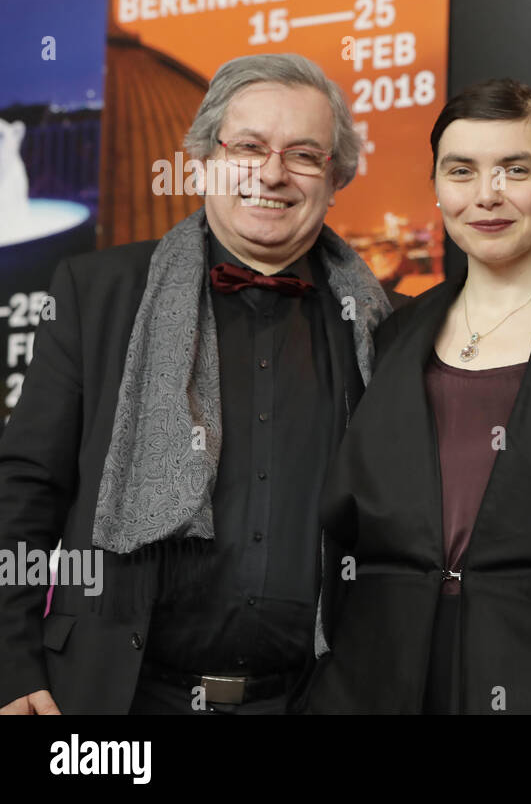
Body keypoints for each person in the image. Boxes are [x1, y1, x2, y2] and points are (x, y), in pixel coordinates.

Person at [0, 53, 393, 715]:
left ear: (335, 178)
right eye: (248, 147)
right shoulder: (98, 294)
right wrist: (11, 665)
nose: (271, 173)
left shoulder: (382, 328)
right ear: (204, 158)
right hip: (113, 699)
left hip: (310, 700)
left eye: (303, 154)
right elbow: (23, 491)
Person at [304, 79, 531, 714]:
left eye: (516, 170)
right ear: (437, 187)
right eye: (462, 172)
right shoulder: (394, 331)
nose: (488, 195)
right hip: (378, 676)